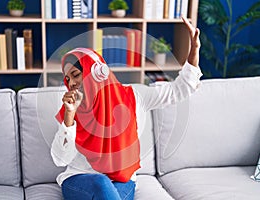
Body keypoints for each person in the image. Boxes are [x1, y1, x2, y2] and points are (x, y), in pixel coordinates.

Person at [51, 16, 202, 200]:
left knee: (109, 192)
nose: (71, 83)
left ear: (95, 71)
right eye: (67, 79)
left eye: (75, 75)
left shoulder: (134, 96)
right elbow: (61, 159)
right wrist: (69, 116)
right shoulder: (72, 108)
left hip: (122, 181)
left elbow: (179, 90)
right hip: (79, 179)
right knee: (101, 183)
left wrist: (194, 50)